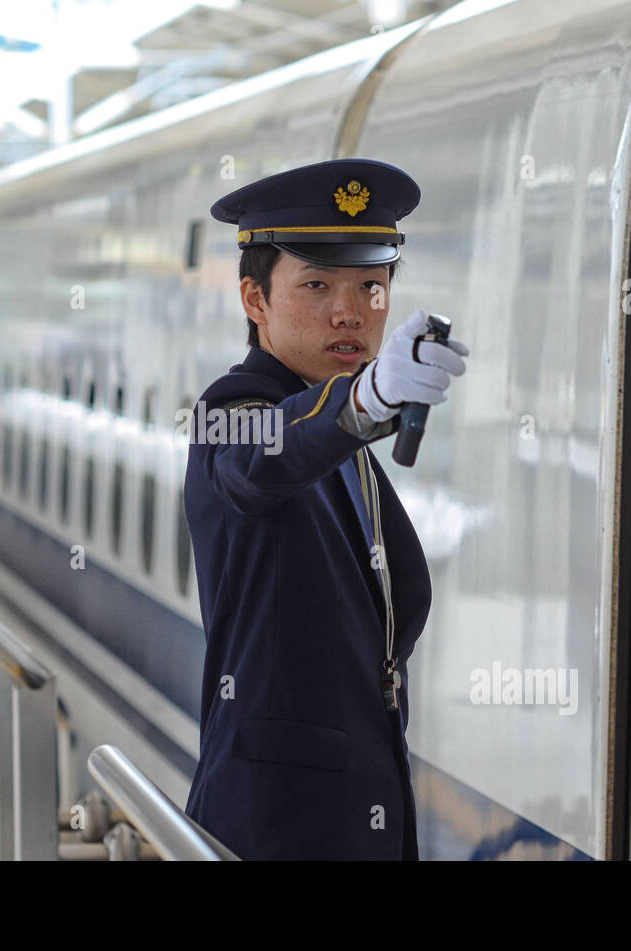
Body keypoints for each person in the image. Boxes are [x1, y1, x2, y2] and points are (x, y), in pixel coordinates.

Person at [183, 158, 469, 860]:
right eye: (316, 285)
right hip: (272, 832)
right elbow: (258, 465)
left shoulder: (342, 438)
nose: (351, 311)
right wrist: (367, 399)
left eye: (371, 286)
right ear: (254, 299)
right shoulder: (231, 413)